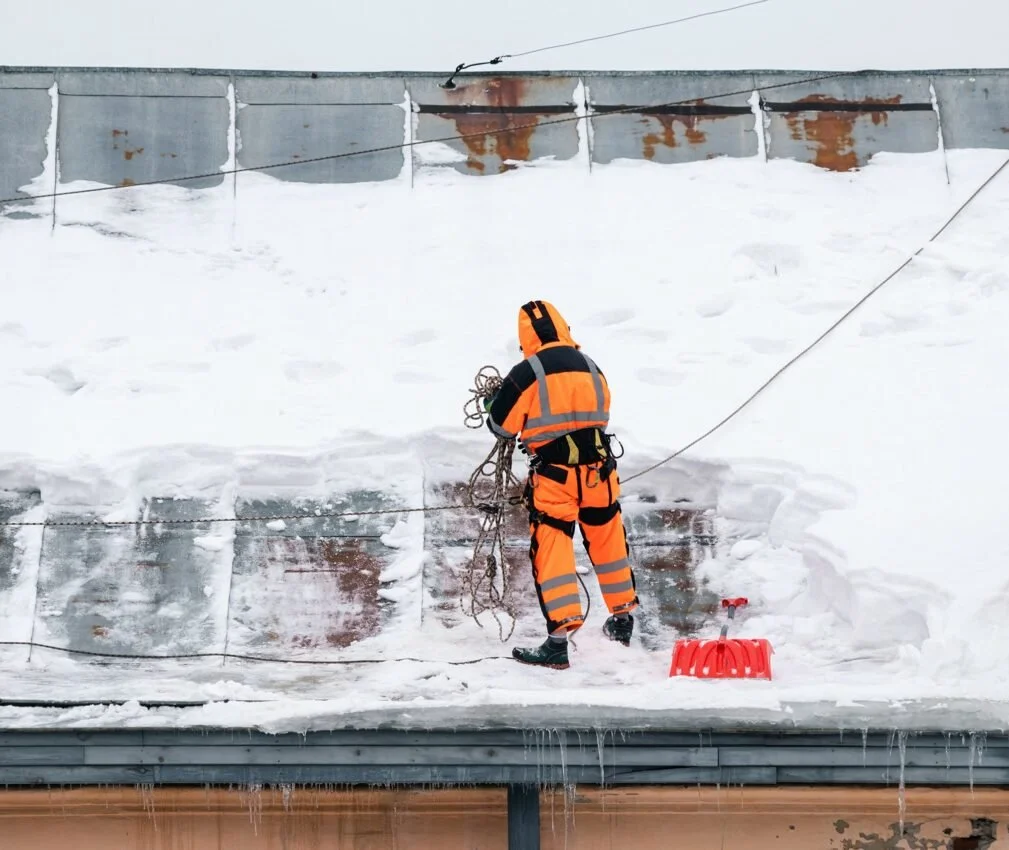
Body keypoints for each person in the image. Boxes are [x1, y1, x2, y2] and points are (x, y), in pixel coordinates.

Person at [485, 300, 640, 670]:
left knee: (553, 550)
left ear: (527, 337)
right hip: (600, 473)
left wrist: (495, 401)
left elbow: (501, 426)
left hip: (556, 479)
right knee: (608, 542)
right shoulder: (592, 367)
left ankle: (557, 643)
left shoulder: (527, 372)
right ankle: (622, 621)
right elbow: (600, 415)